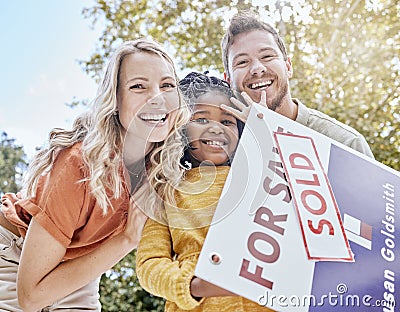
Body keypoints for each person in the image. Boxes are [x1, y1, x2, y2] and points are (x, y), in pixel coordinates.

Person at [0, 38, 190, 312]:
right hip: (16, 253)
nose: (157, 98)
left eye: (167, 85)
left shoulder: (163, 165)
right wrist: (127, 239)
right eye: (138, 86)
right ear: (115, 99)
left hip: (76, 261)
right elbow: (29, 297)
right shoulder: (79, 165)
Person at [136, 72, 274, 311]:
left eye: (227, 121)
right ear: (179, 129)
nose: (216, 128)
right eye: (201, 119)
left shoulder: (266, 181)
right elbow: (149, 265)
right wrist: (194, 284)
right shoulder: (168, 190)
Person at [220, 11, 374, 158]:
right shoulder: (220, 147)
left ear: (288, 67)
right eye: (242, 62)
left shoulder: (345, 143)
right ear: (228, 80)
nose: (257, 69)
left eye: (267, 56)